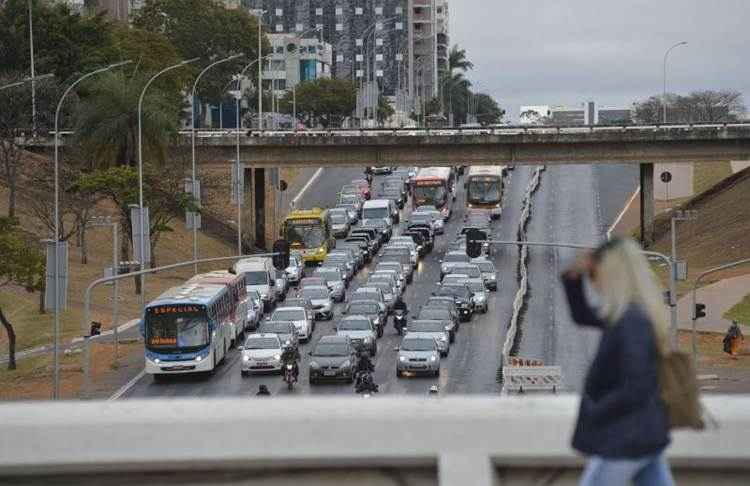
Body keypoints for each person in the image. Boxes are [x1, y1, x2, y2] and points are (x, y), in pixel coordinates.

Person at [561, 238, 673, 486]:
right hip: (643, 433)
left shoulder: (631, 322)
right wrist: (573, 276)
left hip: (626, 438)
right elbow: (582, 315)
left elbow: (636, 386)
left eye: (594, 274)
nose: (594, 282)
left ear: (612, 275)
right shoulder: (627, 315)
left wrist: (594, 412)